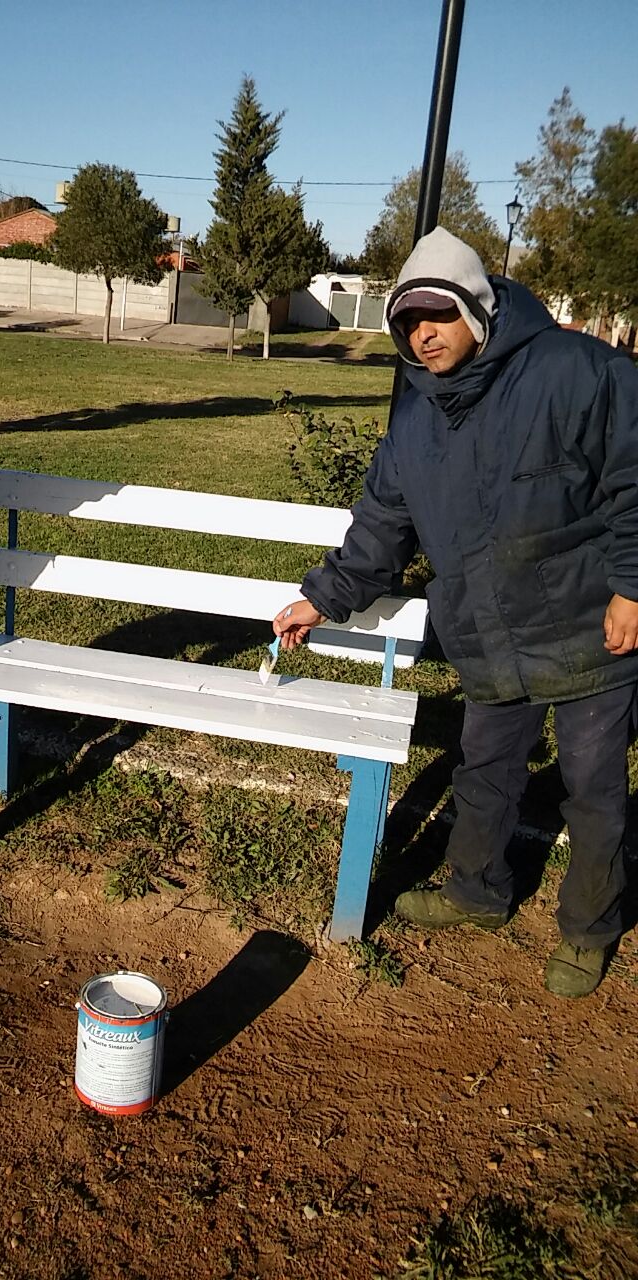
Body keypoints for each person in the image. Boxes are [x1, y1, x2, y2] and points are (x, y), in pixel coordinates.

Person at [274, 226, 638, 998]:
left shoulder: (577, 373)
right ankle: (477, 894)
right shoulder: (416, 418)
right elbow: (381, 527)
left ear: (478, 309)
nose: (423, 333)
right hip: (488, 634)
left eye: (437, 315)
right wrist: (323, 597)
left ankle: (588, 928)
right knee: (486, 775)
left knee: (595, 793)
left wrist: (633, 587)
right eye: (408, 321)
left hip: (587, 630)